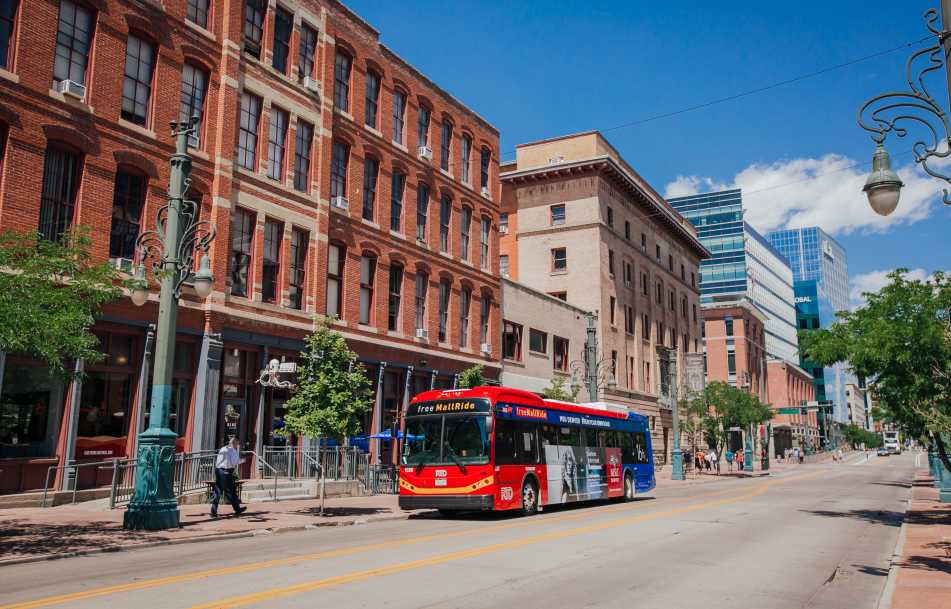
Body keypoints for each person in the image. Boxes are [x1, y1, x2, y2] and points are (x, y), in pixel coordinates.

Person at [212, 437, 247, 518]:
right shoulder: (232, 451)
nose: (237, 445)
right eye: (237, 444)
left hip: (218, 470)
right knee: (231, 491)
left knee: (218, 490)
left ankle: (213, 510)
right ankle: (237, 509)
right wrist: (243, 460)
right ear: (234, 443)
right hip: (226, 472)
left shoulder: (223, 448)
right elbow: (235, 462)